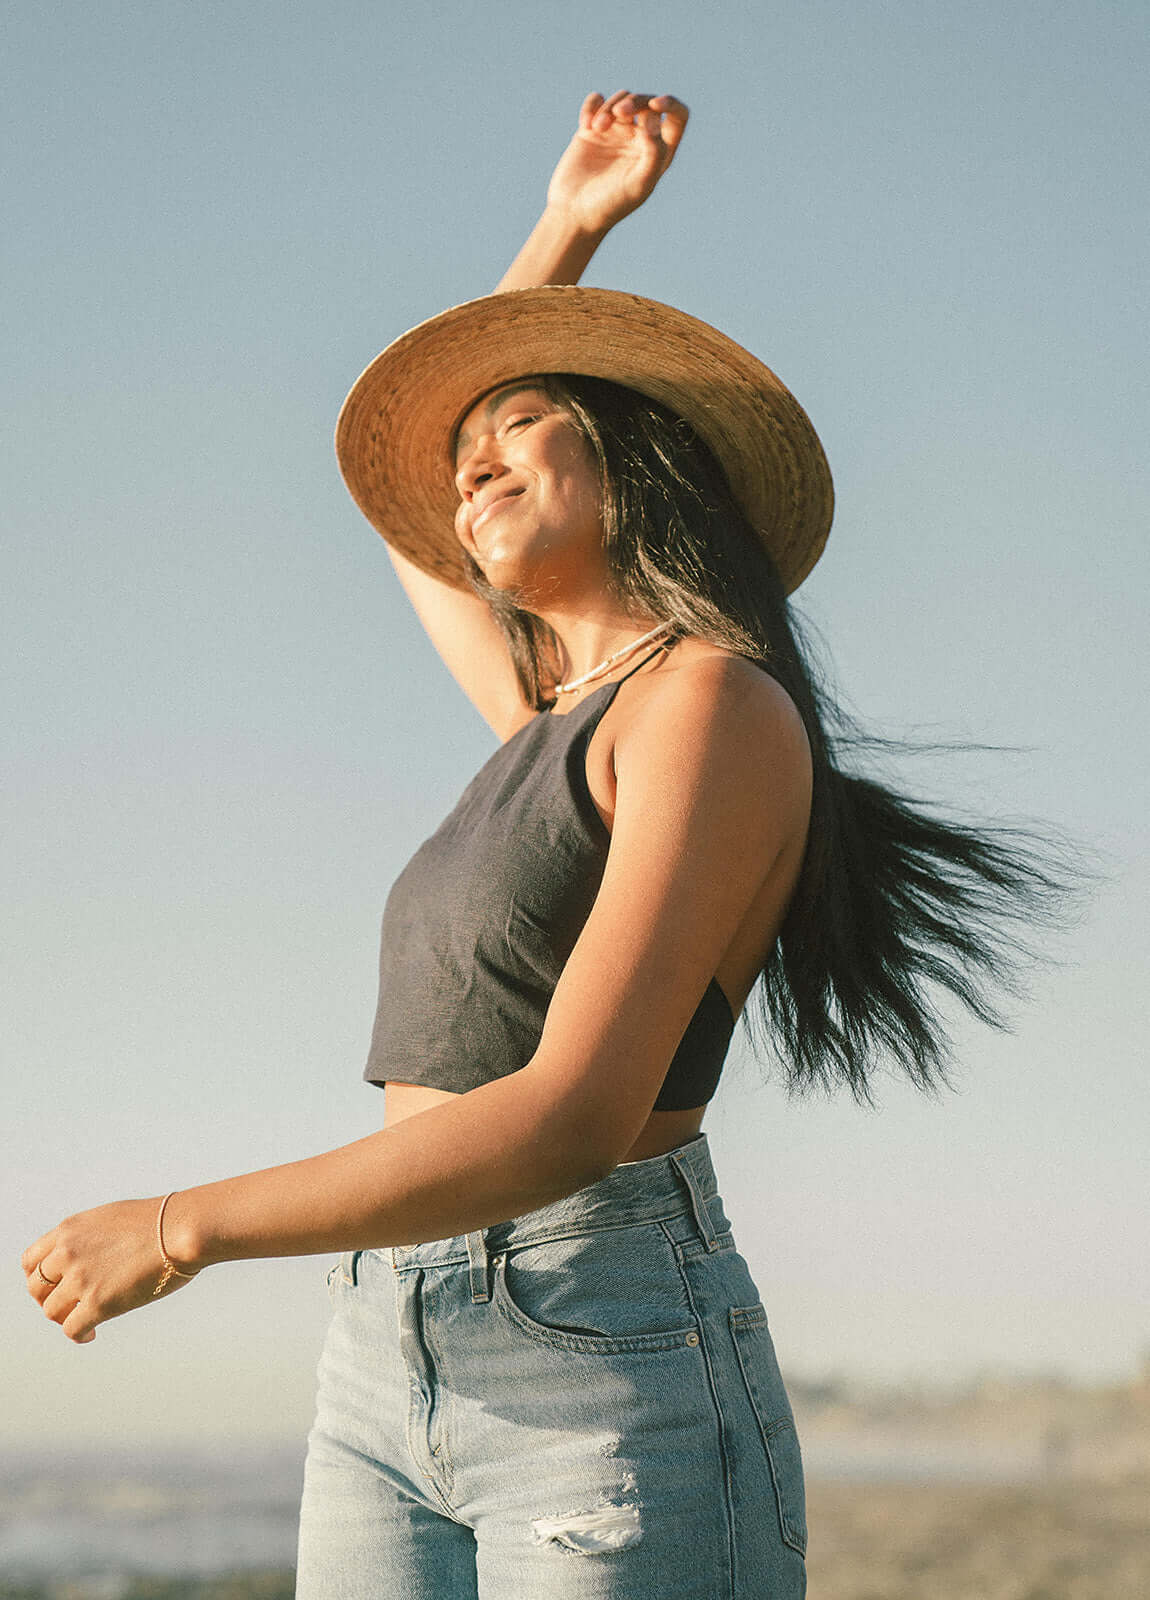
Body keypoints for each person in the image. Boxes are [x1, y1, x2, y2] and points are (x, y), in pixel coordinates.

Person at [23, 92, 1070, 1597]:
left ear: (636, 457)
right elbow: (400, 509)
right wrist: (566, 223)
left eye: (518, 425)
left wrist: (183, 1229)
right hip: (386, 1350)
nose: (469, 470)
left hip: (607, 1348)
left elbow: (574, 1112)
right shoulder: (545, 714)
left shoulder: (704, 705)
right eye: (464, 455)